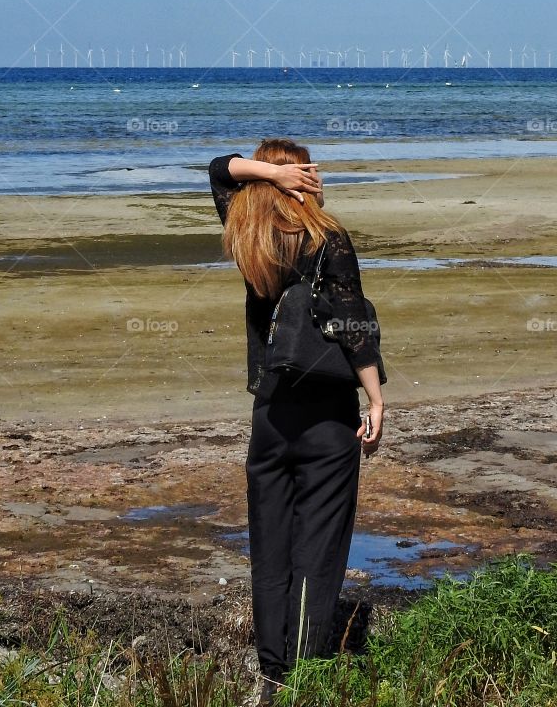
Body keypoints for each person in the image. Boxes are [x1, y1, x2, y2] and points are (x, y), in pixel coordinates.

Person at [208, 140, 385, 705]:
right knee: (318, 551)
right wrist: (376, 399)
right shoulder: (327, 237)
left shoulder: (247, 235)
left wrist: (267, 175)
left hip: (270, 412)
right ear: (299, 177)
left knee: (271, 550)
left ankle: (271, 676)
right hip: (328, 416)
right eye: (305, 172)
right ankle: (304, 679)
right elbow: (352, 322)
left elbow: (219, 169)